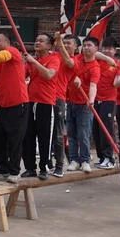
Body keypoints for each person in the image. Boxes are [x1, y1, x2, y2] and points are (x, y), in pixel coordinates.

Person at [0, 32, 31, 182]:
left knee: (14, 139)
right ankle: (2, 171)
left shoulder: (13, 52)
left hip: (18, 103)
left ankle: (14, 172)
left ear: (7, 42)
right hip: (3, 105)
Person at [22, 33, 61, 180]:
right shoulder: (33, 59)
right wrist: (22, 62)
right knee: (28, 136)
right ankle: (30, 167)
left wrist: (33, 62)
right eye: (37, 40)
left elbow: (49, 75)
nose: (37, 43)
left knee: (45, 136)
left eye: (42, 41)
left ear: (50, 45)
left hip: (46, 102)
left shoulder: (54, 59)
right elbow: (22, 75)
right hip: (30, 101)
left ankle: (44, 166)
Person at [64, 37, 101, 172]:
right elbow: (69, 65)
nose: (86, 48)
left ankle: (85, 160)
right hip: (71, 101)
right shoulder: (77, 58)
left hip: (84, 105)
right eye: (84, 45)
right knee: (71, 133)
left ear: (96, 49)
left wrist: (91, 100)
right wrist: (75, 78)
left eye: (89, 45)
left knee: (83, 134)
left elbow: (93, 86)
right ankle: (74, 159)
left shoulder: (95, 67)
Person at [51, 34, 78, 173]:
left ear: (75, 47)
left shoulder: (74, 60)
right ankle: (49, 163)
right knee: (47, 133)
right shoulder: (54, 56)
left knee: (58, 133)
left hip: (58, 98)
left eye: (69, 43)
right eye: (64, 43)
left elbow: (68, 62)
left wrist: (59, 41)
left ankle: (59, 166)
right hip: (45, 97)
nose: (66, 45)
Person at [93, 42, 118, 169]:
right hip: (95, 99)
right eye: (105, 48)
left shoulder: (117, 64)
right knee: (96, 129)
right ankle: (101, 157)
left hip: (109, 100)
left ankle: (109, 158)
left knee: (106, 128)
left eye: (110, 48)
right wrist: (106, 57)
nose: (107, 51)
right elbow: (91, 53)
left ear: (115, 51)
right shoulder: (98, 61)